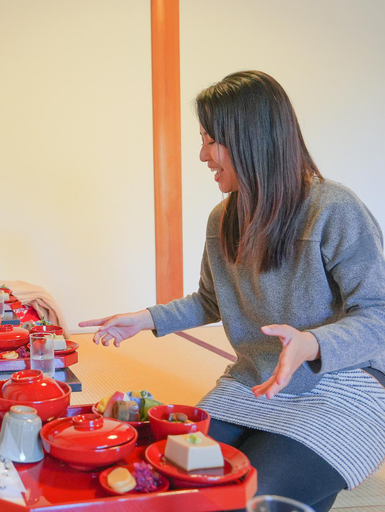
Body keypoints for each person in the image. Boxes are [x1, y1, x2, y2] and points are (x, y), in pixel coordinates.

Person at [80, 71, 385, 512]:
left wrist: (312, 343)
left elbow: (378, 312)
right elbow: (210, 299)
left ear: (252, 139)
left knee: (246, 498)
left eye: (211, 140)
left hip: (341, 386)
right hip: (252, 384)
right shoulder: (222, 218)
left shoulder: (333, 208)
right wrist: (144, 319)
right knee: (171, 483)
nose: (202, 155)